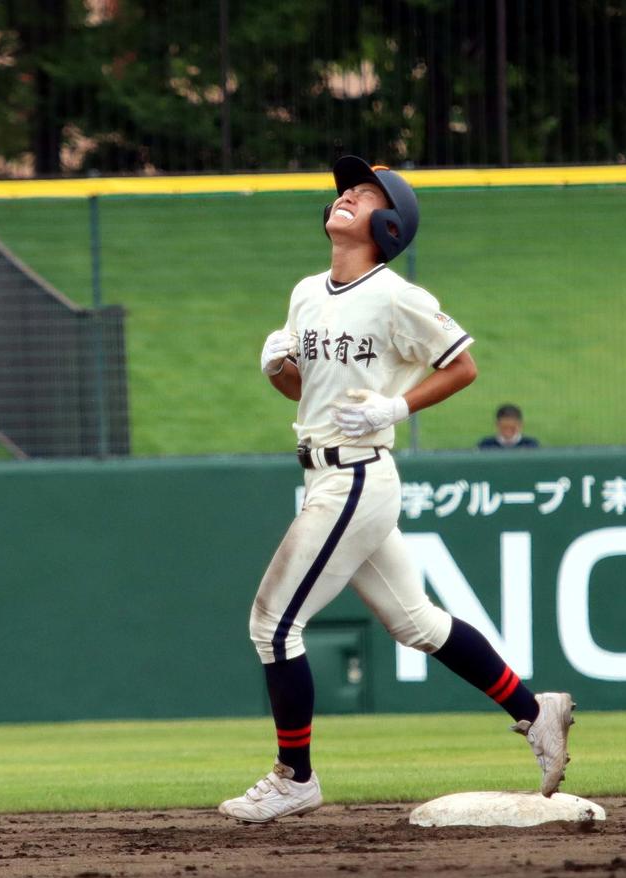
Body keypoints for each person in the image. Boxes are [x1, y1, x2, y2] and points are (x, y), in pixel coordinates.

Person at [219, 156, 575, 823]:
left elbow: (462, 365)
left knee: (273, 623)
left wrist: (396, 409)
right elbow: (305, 391)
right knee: (419, 623)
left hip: (358, 474)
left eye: (363, 193)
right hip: (324, 468)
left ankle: (294, 776)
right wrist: (279, 369)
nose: (347, 194)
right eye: (346, 189)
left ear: (387, 224)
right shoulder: (306, 292)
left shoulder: (395, 294)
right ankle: (536, 711)